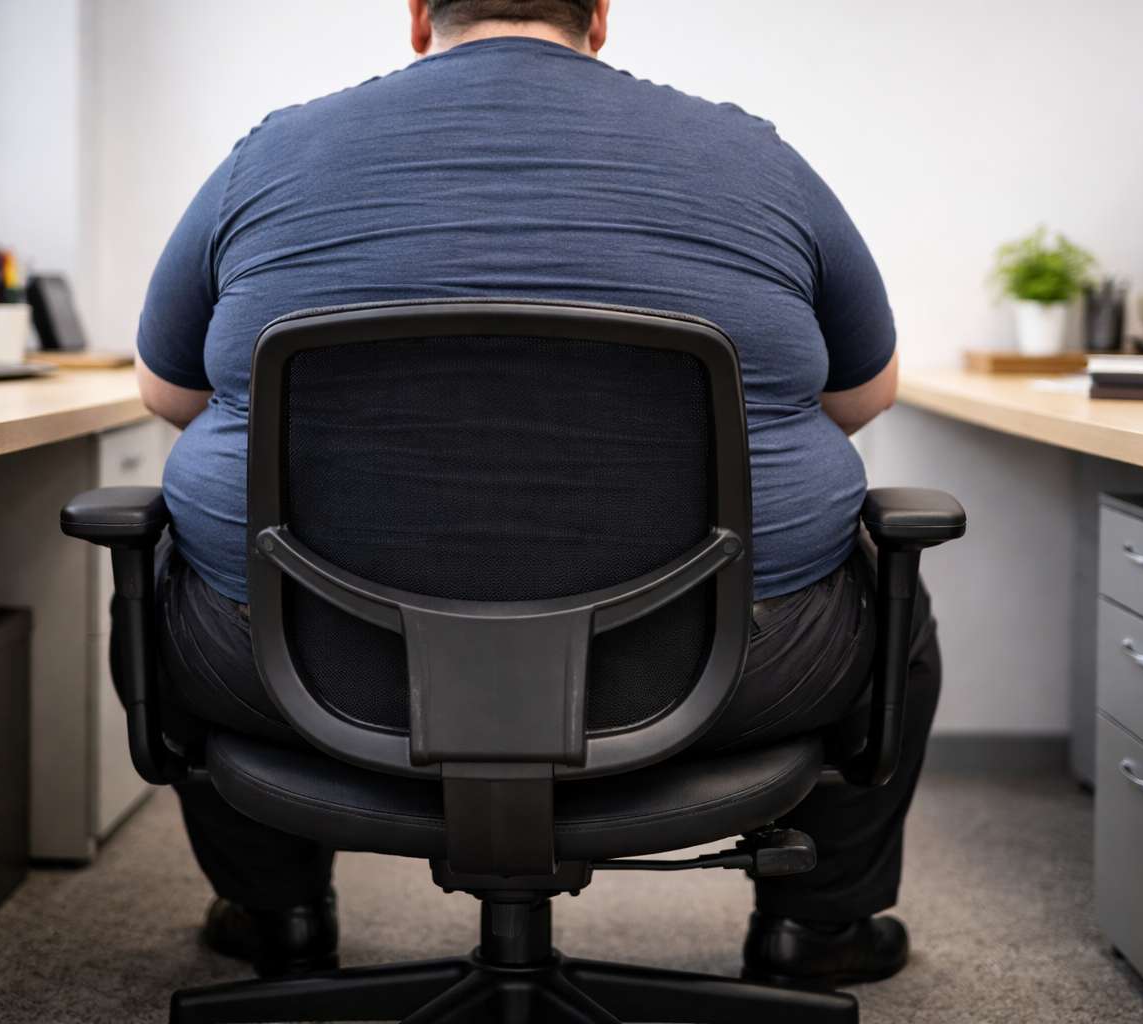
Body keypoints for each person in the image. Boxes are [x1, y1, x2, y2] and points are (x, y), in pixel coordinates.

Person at [131, 0, 940, 989]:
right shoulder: (757, 160)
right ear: (598, 16)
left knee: (167, 573)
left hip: (302, 663)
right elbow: (862, 396)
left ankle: (276, 916)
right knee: (888, 595)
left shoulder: (269, 157)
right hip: (720, 666)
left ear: (419, 16)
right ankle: (817, 930)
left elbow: (169, 394)